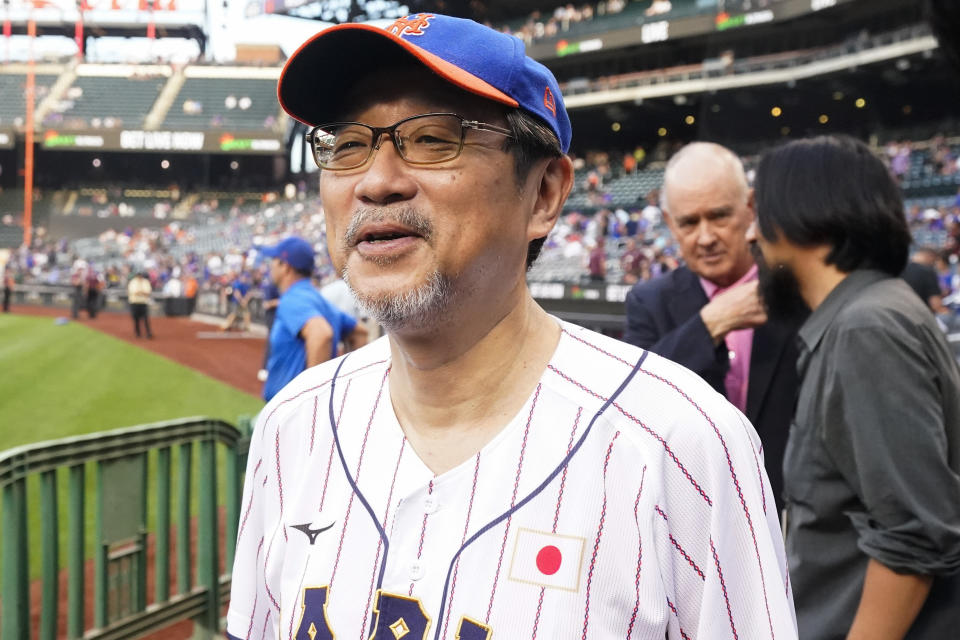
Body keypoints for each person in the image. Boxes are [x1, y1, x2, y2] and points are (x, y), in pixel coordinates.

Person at [226, 14, 795, 640]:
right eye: (346, 143)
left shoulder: (684, 444)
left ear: (545, 194)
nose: (376, 181)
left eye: (433, 137)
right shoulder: (290, 428)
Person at [748, 135, 960, 639]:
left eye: (763, 213)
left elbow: (914, 538)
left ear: (804, 216)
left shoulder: (867, 327)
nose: (754, 235)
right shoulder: (870, 312)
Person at [623, 142, 801, 512]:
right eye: (689, 223)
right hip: (692, 513)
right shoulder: (649, 301)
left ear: (750, 208)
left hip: (790, 513)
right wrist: (708, 325)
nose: (705, 237)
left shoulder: (795, 287)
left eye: (719, 216)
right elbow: (633, 401)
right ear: (670, 224)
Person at [259, 236, 367, 402]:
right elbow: (360, 333)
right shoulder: (319, 300)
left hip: (291, 416)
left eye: (274, 260)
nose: (270, 266)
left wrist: (312, 401)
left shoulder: (293, 298)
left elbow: (321, 334)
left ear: (285, 266)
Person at [127, 271, 154, 339]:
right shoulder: (133, 282)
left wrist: (140, 292)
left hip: (143, 303)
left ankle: (148, 332)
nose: (139, 276)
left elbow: (148, 292)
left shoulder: (145, 282)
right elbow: (134, 292)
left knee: (145, 319)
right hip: (134, 302)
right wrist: (142, 292)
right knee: (136, 319)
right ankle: (137, 332)